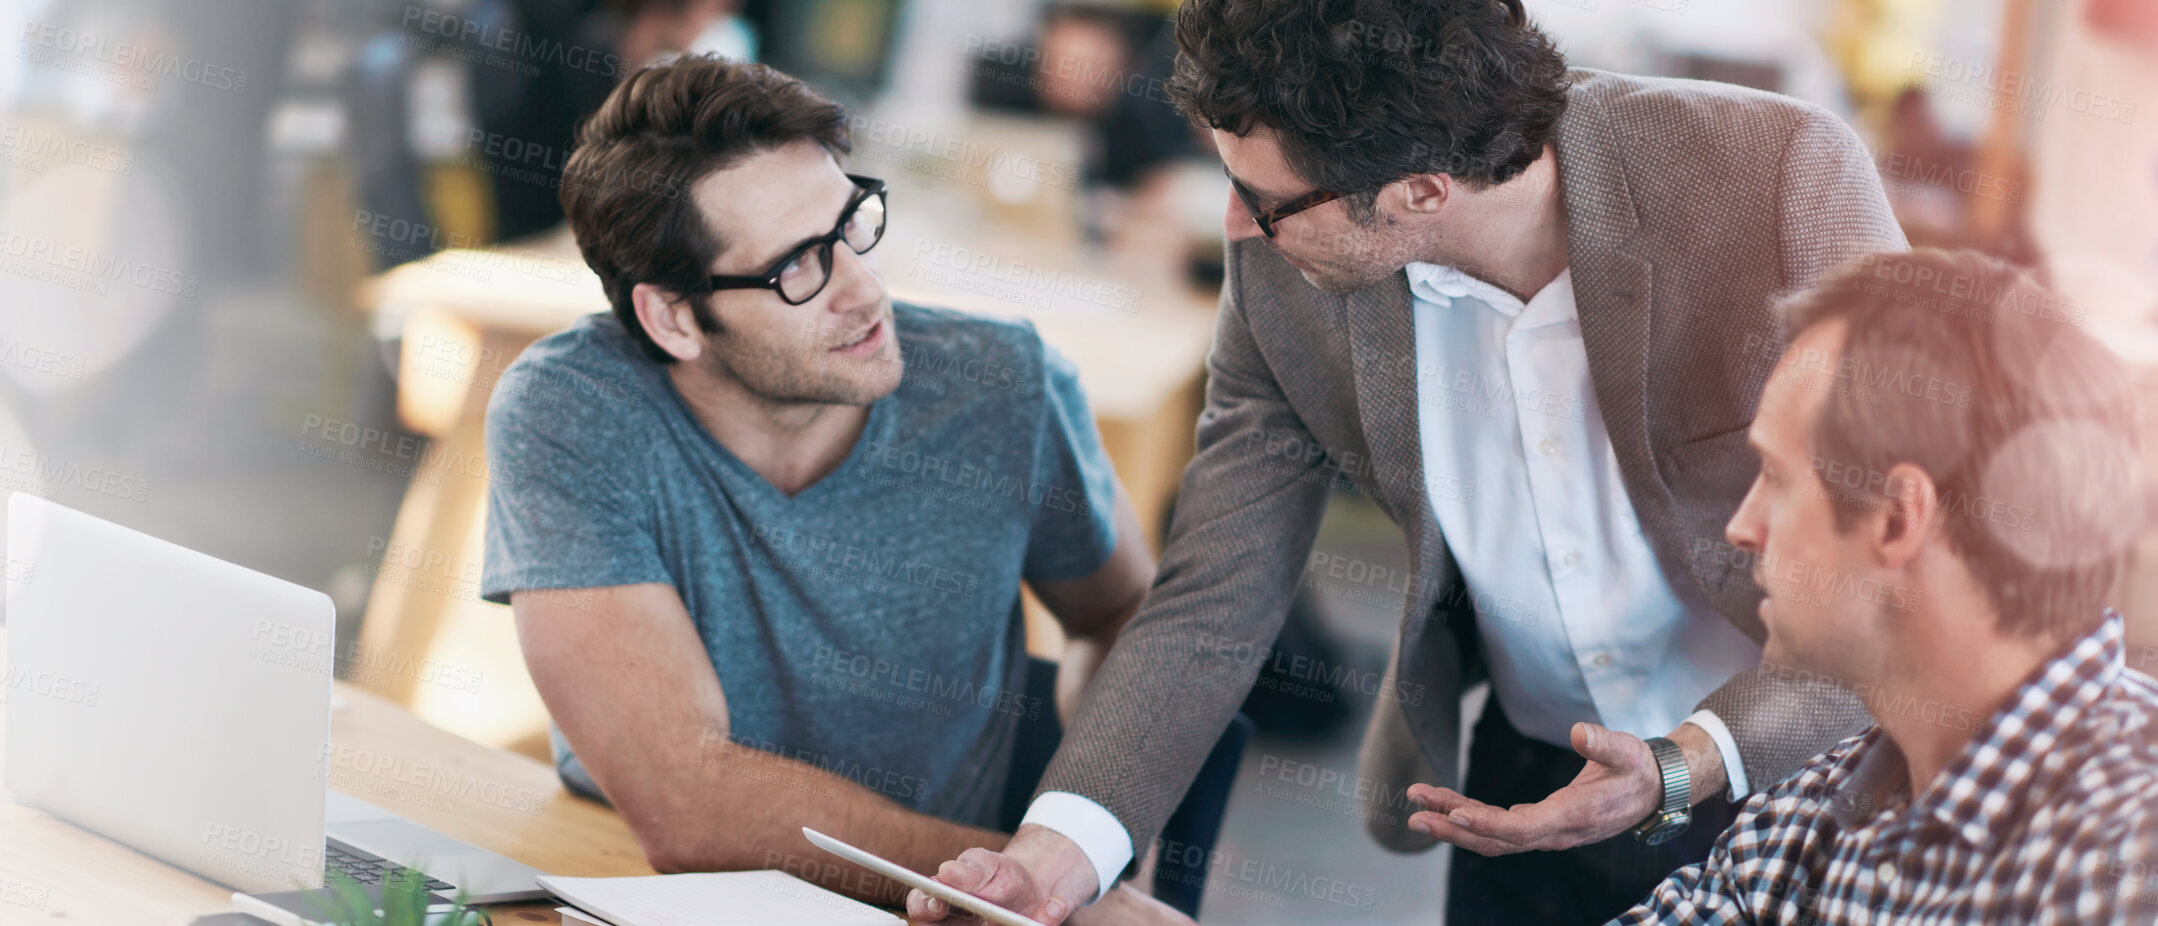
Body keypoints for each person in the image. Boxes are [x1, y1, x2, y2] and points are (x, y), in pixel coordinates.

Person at [909, 1, 1908, 923]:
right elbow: (1213, 596)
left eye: (1260, 200)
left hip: (1801, 772)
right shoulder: (1286, 280)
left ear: (1422, 190)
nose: (1229, 230)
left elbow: (1895, 561)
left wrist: (1687, 763)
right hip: (1528, 783)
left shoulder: (1774, 177)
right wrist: (1053, 854)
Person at [478, 54, 1186, 924]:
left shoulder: (1004, 385)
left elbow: (1128, 621)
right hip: (626, 886)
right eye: (797, 269)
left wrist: (1096, 856)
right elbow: (686, 801)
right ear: (672, 317)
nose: (863, 287)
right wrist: (1022, 881)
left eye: (853, 223)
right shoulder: (571, 410)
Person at [1613, 248, 2156, 923]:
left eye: (1778, 478)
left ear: (1900, 517)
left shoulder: (2127, 862)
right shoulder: (1808, 816)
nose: (1742, 527)